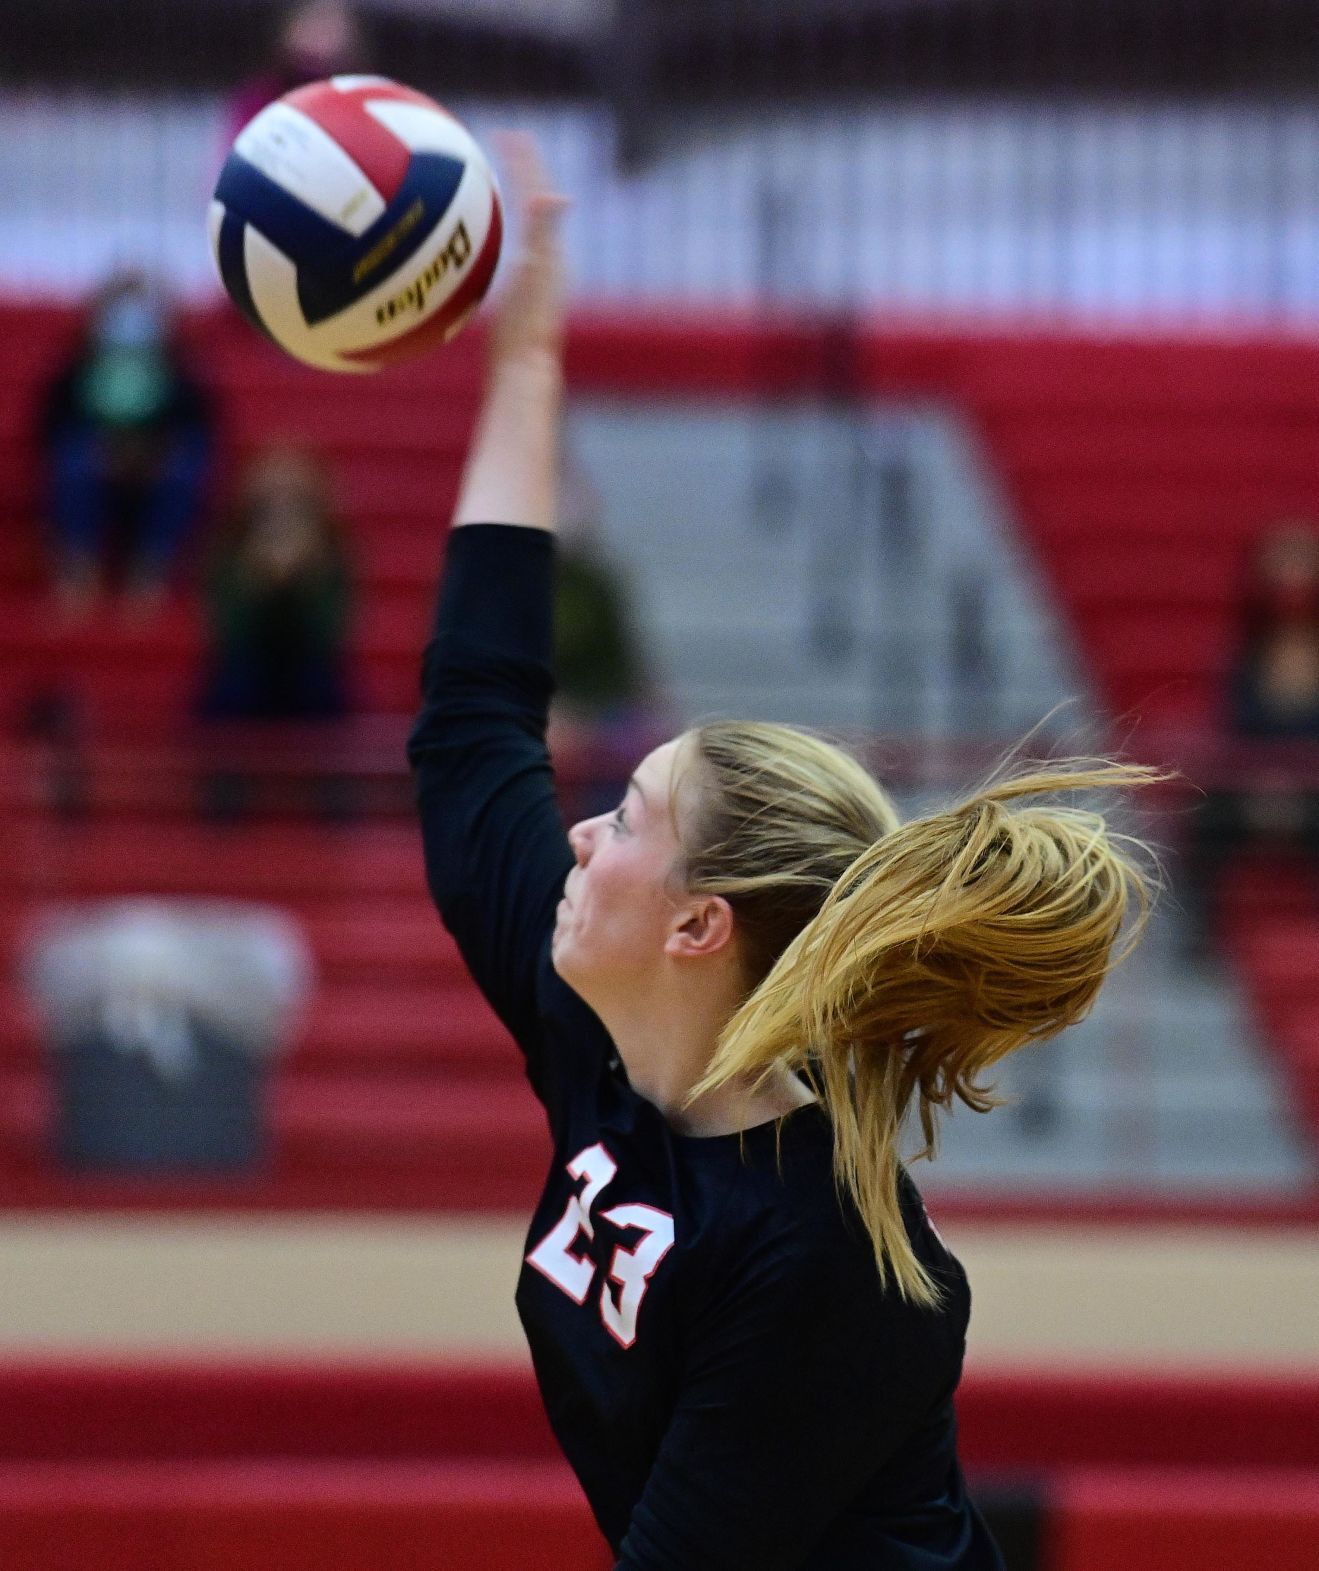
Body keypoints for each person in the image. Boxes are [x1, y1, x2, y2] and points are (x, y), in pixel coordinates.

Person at [408, 137, 1164, 1570]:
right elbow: (471, 726)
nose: (578, 826)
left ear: (698, 923)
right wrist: (520, 364)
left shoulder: (828, 1263)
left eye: (625, 813)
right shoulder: (602, 1033)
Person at [38, 270, 213, 619]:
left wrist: (152, 452)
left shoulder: (181, 368)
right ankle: (79, 570)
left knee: (183, 466)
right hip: (93, 464)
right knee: (71, 462)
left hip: (157, 467)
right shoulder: (77, 365)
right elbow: (50, 425)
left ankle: (150, 572)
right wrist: (103, 450)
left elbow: (200, 426)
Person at [1180, 519, 1319, 959]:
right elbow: (1234, 733)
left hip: (1313, 789)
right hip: (1254, 786)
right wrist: (1262, 786)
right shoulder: (1248, 655)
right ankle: (1196, 936)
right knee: (1204, 812)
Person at [194, 445, 356, 820]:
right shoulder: (229, 547)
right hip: (248, 663)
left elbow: (335, 630)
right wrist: (255, 583)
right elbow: (222, 628)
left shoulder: (333, 548)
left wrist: (305, 583)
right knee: (231, 684)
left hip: (308, 665)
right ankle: (224, 797)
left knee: (322, 684)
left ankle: (333, 799)